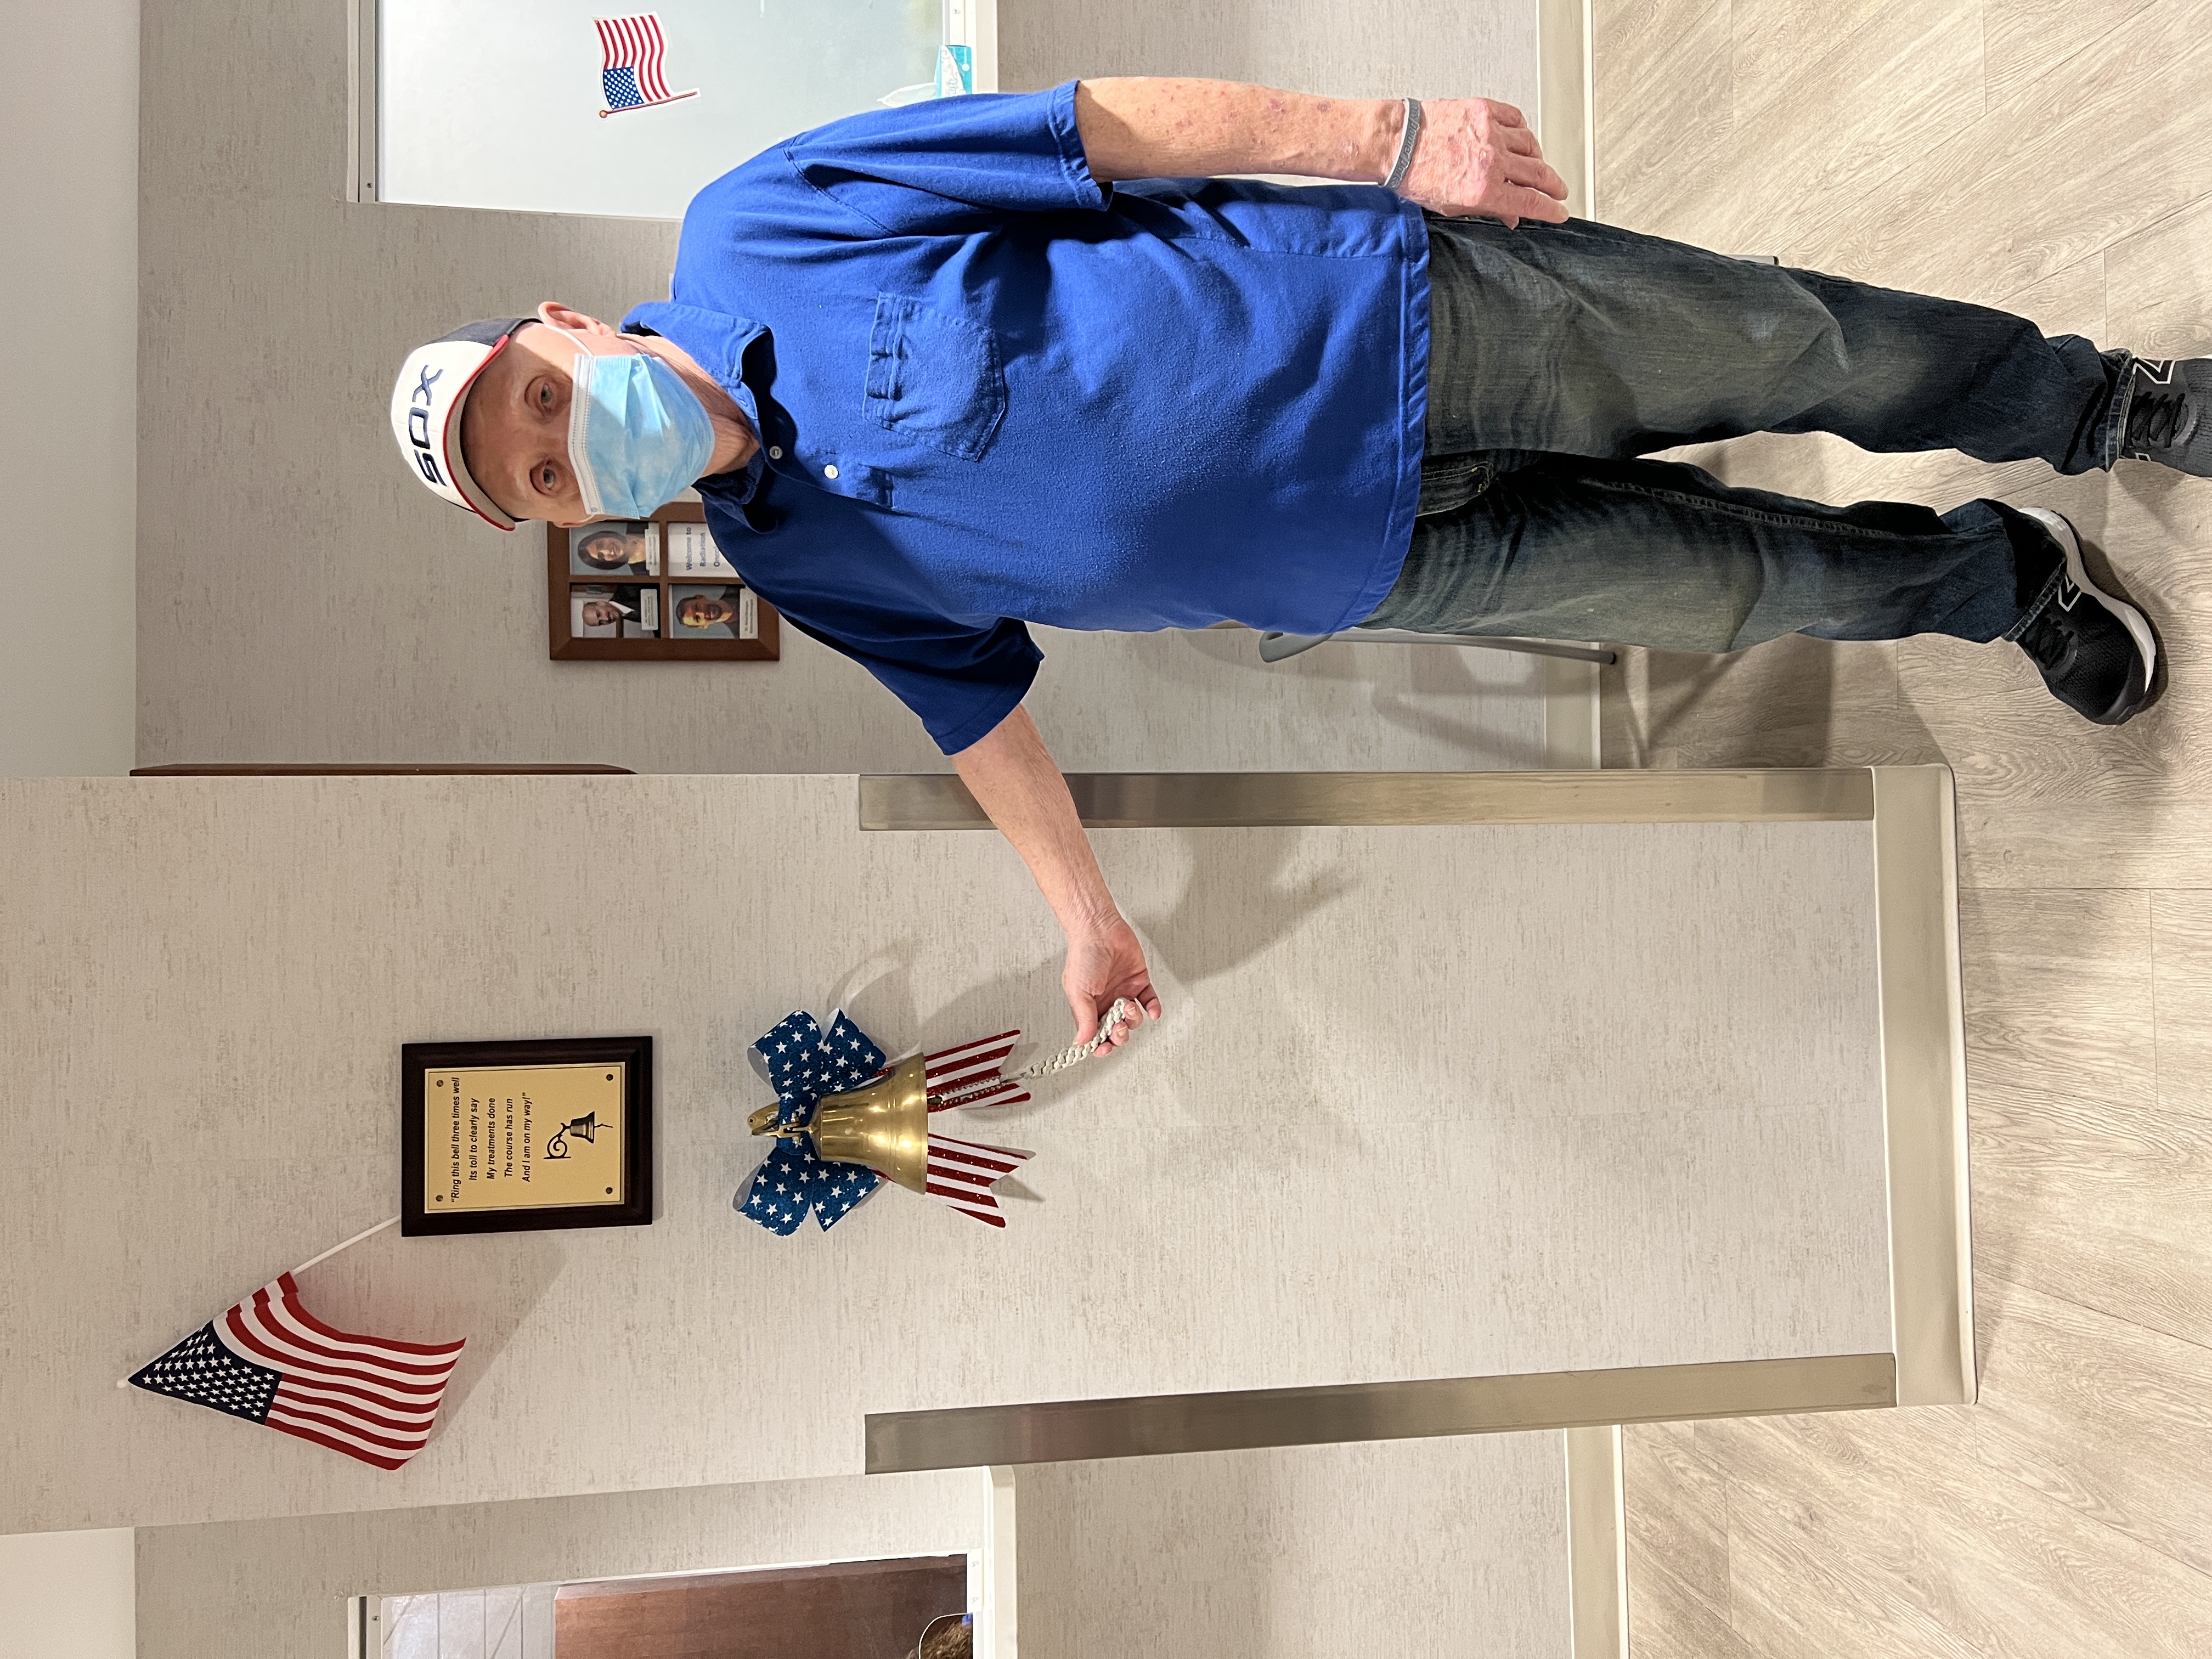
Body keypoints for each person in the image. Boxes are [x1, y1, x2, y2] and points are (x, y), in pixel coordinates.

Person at [386, 77, 2209, 1053]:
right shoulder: (789, 554)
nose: (566, 451)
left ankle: (2104, 404)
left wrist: (1385, 142)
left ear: (562, 325)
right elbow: (978, 710)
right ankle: (2006, 585)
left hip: (1406, 319)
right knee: (1745, 590)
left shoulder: (761, 220)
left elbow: (1087, 135)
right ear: (569, 519)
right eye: (539, 479)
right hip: (1378, 570)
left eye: (540, 405)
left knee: (1793, 345)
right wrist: (1082, 918)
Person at [573, 526, 650, 573]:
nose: (607, 551)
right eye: (601, 556)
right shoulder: (642, 573)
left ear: (606, 535)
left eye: (601, 544)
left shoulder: (638, 523)